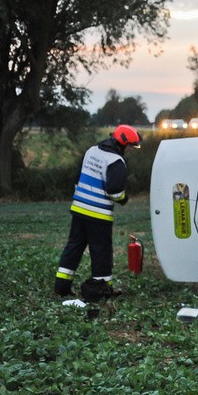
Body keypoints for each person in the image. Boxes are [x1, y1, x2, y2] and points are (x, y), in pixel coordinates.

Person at [54, 124, 142, 300]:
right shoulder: (116, 161)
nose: (132, 150)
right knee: (101, 250)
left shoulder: (92, 150)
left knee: (74, 246)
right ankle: (103, 289)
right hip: (98, 214)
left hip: (79, 209)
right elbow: (114, 191)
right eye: (132, 146)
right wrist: (124, 199)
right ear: (124, 144)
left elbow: (77, 177)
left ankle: (61, 286)